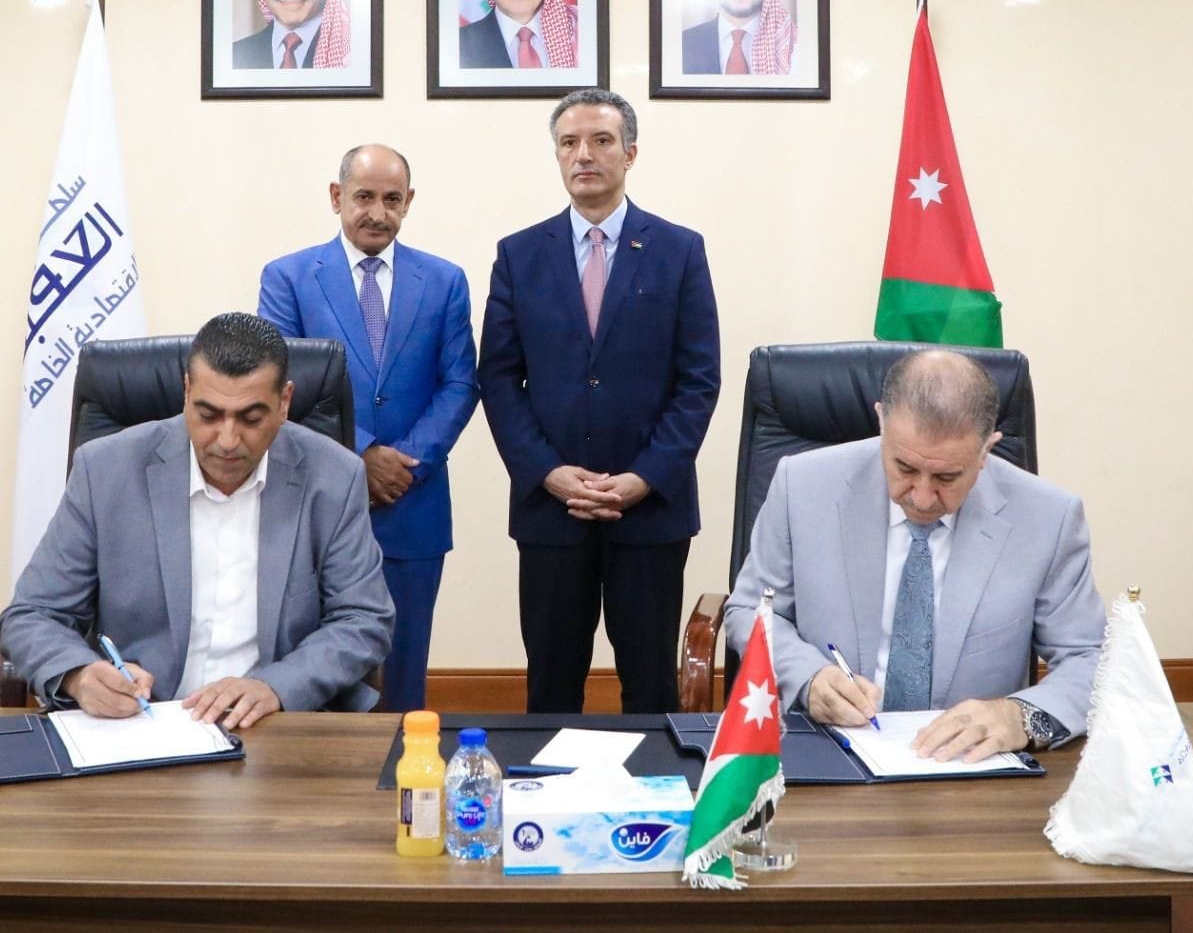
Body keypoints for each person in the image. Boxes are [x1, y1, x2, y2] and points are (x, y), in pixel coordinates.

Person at [0, 312, 394, 728]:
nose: (227, 440)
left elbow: (364, 619)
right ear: (187, 392)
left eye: (251, 418)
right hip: (140, 723)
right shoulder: (105, 470)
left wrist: (278, 686)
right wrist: (79, 675)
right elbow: (31, 615)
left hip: (273, 725)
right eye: (209, 415)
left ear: (285, 403)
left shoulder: (335, 477)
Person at [723, 349, 1106, 761]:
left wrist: (1020, 716)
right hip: (828, 749)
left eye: (947, 477)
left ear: (987, 449)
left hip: (969, 767)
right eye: (905, 468)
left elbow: (1091, 659)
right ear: (881, 422)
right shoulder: (801, 485)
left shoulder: (1049, 518)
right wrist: (807, 677)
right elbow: (751, 609)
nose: (922, 498)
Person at [478, 88, 720, 714]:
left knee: (651, 686)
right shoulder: (518, 255)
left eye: (601, 140)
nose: (583, 154)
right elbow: (499, 379)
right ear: (557, 155)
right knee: (552, 686)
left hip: (650, 510)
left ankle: (655, 781)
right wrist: (547, 472)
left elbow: (699, 380)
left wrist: (645, 477)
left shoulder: (679, 250)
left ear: (630, 153)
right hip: (551, 510)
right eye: (569, 143)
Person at [258, 145, 478, 712]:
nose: (377, 213)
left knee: (403, 676)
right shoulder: (288, 278)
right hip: (315, 502)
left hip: (412, 503)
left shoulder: (445, 280)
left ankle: (401, 765)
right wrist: (361, 455)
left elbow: (460, 383)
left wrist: (404, 465)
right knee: (313, 671)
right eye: (363, 197)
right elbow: (281, 385)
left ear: (409, 202)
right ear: (337, 197)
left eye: (391, 199)